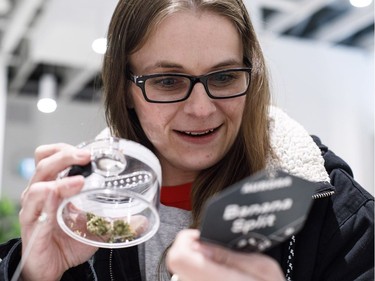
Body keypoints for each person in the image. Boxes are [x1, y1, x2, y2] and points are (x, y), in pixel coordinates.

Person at [0, 0, 373, 280]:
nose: (201, 108)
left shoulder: (335, 210)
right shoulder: (85, 208)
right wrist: (32, 273)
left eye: (224, 77)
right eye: (167, 81)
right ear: (125, 89)